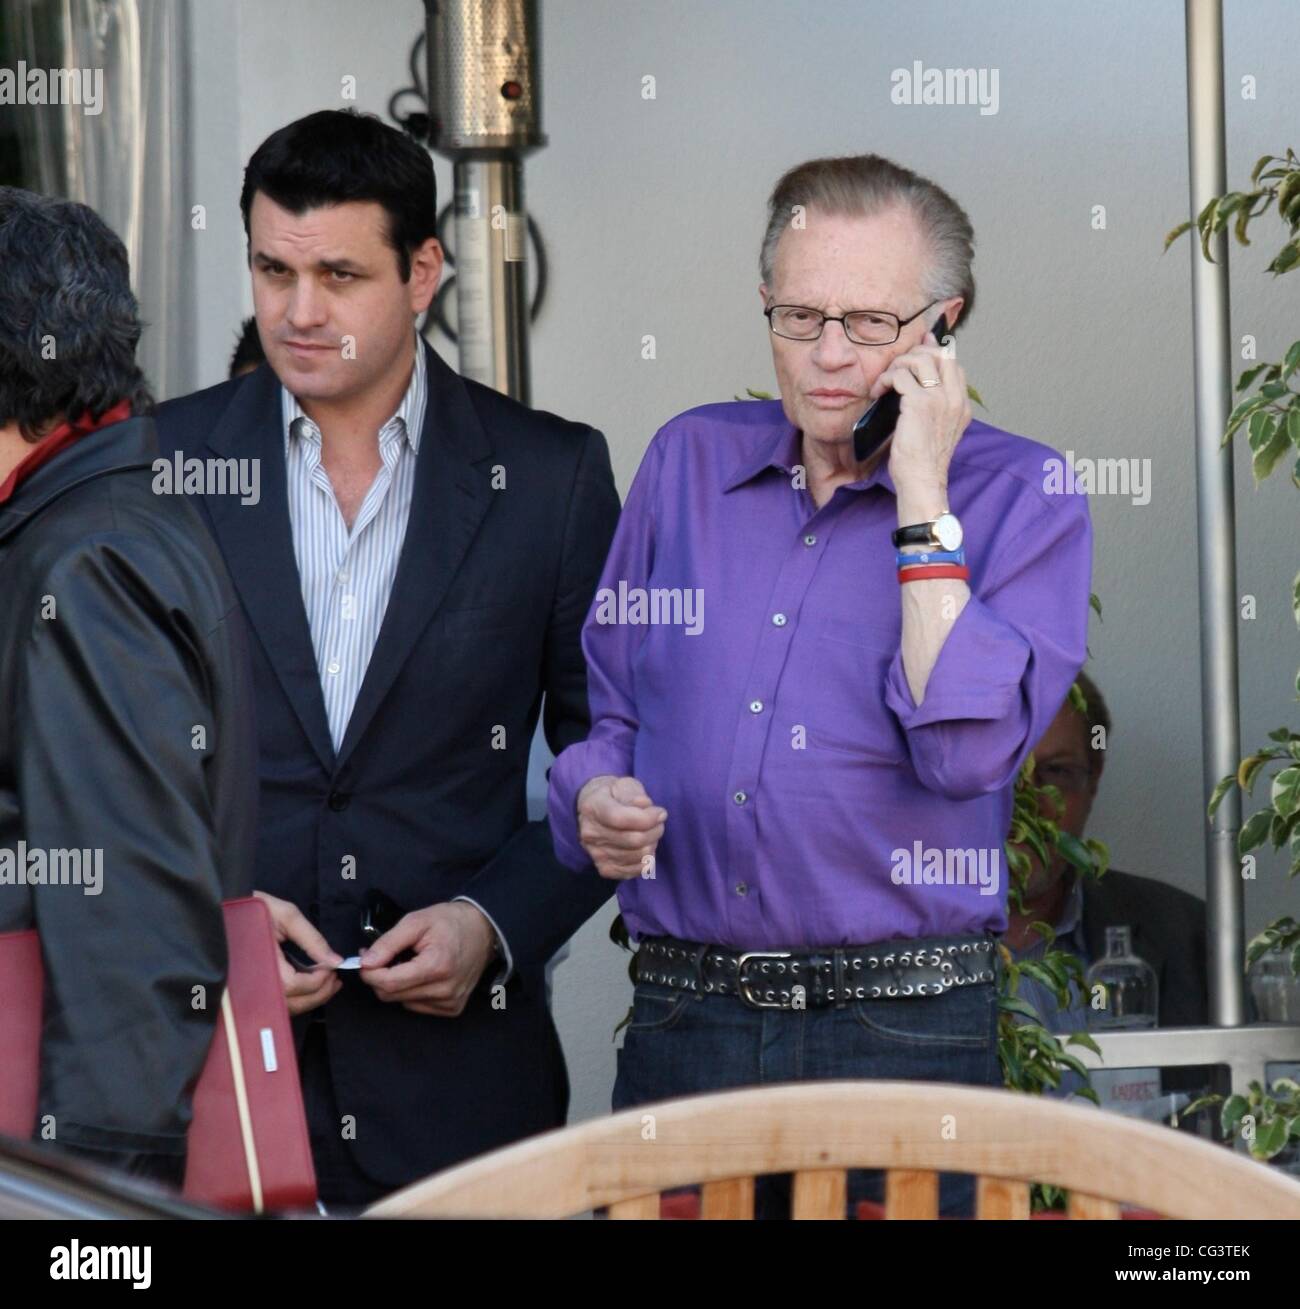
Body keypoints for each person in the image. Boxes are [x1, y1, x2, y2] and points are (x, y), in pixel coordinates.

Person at [548, 153, 1093, 1218]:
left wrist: (921, 492)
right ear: (764, 307)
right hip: (685, 1016)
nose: (829, 356)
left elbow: (962, 750)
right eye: (799, 317)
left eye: (870, 323)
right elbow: (609, 711)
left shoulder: (1027, 492)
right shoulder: (687, 463)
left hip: (903, 1034)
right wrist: (593, 799)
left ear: (945, 323)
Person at [154, 110, 619, 1207]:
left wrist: (494, 924)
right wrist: (210, 914)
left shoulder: (548, 477)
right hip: (209, 1083)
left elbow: (614, 750)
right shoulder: (160, 463)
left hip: (460, 1096)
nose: (298, 311)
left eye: (338, 275)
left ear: (421, 272)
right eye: (272, 269)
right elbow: (99, 760)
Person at [0, 187, 257, 1184]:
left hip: (62, 1177)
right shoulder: (98, 521)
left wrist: (89, 1226)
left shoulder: (89, 563)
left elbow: (132, 935)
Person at [1004, 672, 1209, 1102]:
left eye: (1055, 773)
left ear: (1093, 778)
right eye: (1002, 772)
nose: (1026, 807)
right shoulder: (889, 951)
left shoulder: (1187, 934)